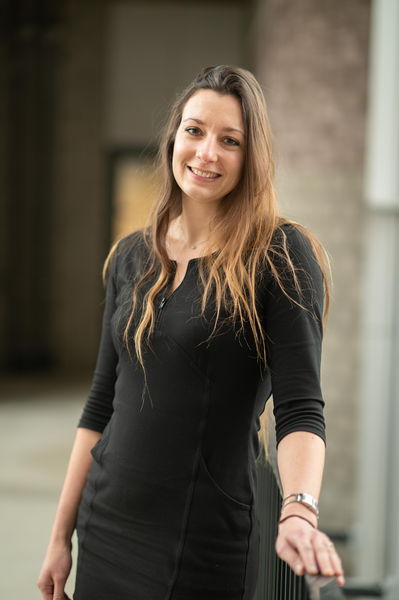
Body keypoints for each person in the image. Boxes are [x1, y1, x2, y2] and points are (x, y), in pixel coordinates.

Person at [37, 65, 344, 600]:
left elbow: (301, 409)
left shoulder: (279, 257)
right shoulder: (133, 255)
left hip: (203, 536)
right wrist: (60, 537)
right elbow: (100, 406)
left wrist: (299, 511)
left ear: (253, 158)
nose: (207, 153)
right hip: (107, 526)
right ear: (174, 136)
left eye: (231, 141)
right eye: (195, 130)